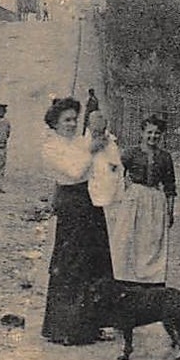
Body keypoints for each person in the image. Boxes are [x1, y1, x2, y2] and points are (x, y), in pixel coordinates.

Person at [40, 96, 114, 345]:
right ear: (55, 122)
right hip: (71, 203)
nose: (72, 124)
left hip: (89, 202)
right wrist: (91, 151)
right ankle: (66, 327)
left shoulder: (79, 142)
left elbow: (102, 163)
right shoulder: (51, 147)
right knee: (71, 263)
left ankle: (94, 324)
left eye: (74, 119)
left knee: (96, 260)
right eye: (67, 120)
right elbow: (74, 171)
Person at [110, 114, 175, 287]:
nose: (153, 136)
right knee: (130, 236)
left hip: (155, 199)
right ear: (142, 133)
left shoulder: (165, 157)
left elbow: (170, 186)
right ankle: (128, 278)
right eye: (149, 132)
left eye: (157, 133)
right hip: (135, 197)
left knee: (152, 239)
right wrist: (123, 191)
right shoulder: (131, 153)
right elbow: (115, 172)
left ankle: (152, 280)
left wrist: (170, 211)